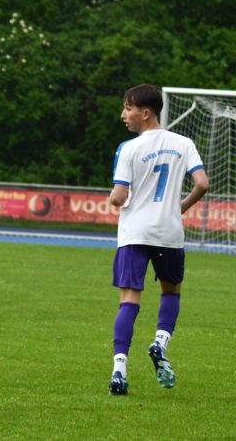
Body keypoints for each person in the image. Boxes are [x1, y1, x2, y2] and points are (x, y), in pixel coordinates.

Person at [108, 84, 209, 395]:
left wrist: (113, 198)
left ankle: (119, 371)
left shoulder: (128, 148)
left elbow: (119, 197)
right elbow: (202, 183)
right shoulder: (184, 143)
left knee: (129, 300)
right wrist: (181, 207)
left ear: (146, 113)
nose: (123, 114)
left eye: (128, 109)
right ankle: (160, 343)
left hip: (135, 233)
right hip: (169, 232)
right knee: (171, 293)